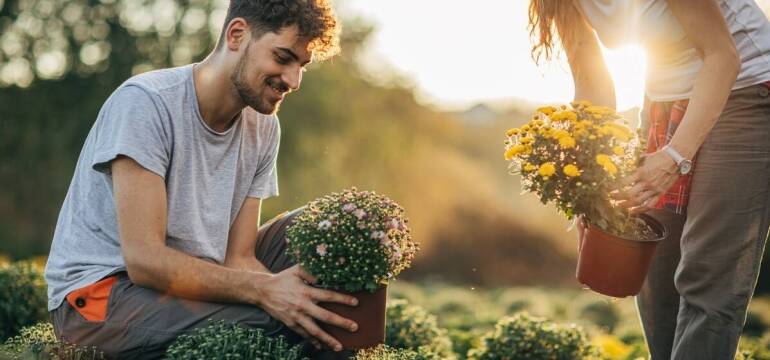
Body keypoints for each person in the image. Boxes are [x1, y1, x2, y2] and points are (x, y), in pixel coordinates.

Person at [43, 0, 358, 358]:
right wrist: (265, 291)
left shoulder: (264, 127)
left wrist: (287, 295)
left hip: (187, 286)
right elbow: (145, 261)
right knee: (275, 325)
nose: (293, 80)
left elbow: (239, 258)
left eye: (302, 65)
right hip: (102, 298)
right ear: (236, 35)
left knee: (332, 227)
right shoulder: (146, 103)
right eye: (283, 57)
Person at [528, 0, 770, 358]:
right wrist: (589, 189)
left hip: (745, 92)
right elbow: (592, 84)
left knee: (707, 276)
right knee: (656, 276)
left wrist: (674, 156)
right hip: (663, 102)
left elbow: (723, 57)